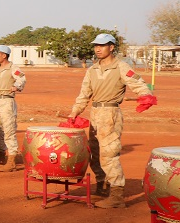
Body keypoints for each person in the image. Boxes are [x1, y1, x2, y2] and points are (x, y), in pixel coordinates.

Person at [67, 33, 157, 208]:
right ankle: (102, 186)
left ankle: (117, 195)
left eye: (102, 45)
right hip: (95, 113)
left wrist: (145, 96)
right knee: (95, 154)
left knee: (109, 154)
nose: (98, 49)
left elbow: (138, 84)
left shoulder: (121, 67)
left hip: (110, 113)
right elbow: (84, 95)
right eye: (96, 46)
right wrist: (74, 112)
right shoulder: (92, 70)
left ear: (112, 47)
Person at [0, 45, 26, 171]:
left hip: (7, 102)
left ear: (4, 55)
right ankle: (1, 155)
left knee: (9, 130)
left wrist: (16, 86)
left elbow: (21, 79)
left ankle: (11, 161)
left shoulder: (13, 68)